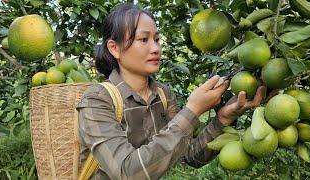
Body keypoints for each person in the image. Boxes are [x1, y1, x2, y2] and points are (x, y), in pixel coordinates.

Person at [77, 3, 266, 180]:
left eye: (157, 39)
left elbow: (189, 156)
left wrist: (223, 119)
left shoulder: (163, 94)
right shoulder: (97, 100)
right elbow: (128, 172)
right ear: (114, 48)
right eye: (144, 39)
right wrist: (192, 110)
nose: (156, 48)